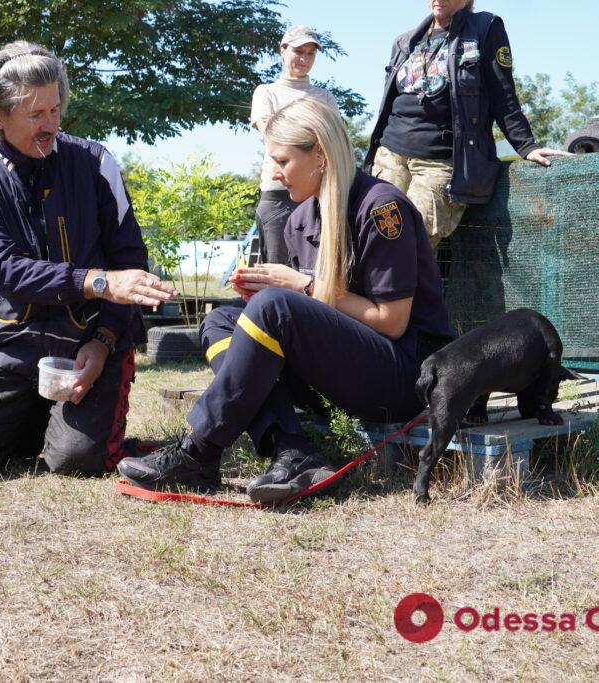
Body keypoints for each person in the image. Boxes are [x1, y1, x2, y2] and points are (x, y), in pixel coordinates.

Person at [117, 97, 454, 503]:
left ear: (320, 153)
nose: (275, 175)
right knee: (221, 322)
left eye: (283, 161)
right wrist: (269, 297)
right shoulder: (299, 219)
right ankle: (291, 448)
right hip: (344, 372)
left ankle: (200, 451)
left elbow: (391, 321)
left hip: (407, 376)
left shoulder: (381, 208)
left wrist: (301, 289)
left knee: (274, 306)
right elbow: (309, 315)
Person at [0, 41, 176, 483]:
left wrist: (103, 341)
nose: (50, 125)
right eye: (35, 114)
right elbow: (4, 270)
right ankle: (38, 420)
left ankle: (67, 429)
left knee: (77, 461)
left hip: (91, 340)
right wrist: (96, 281)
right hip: (13, 344)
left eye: (55, 110)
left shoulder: (95, 162)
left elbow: (129, 258)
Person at [365, 0, 569, 248]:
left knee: (412, 245)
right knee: (376, 237)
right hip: (390, 155)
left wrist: (526, 145)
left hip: (438, 161)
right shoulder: (405, 41)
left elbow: (502, 93)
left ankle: (407, 288)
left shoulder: (484, 28)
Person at [250, 24, 338, 266]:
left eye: (310, 53)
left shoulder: (325, 97)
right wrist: (310, 141)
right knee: (276, 274)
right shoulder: (266, 92)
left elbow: (333, 141)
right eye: (299, 51)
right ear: (283, 50)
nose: (304, 58)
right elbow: (272, 136)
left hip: (318, 195)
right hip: (277, 194)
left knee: (316, 272)